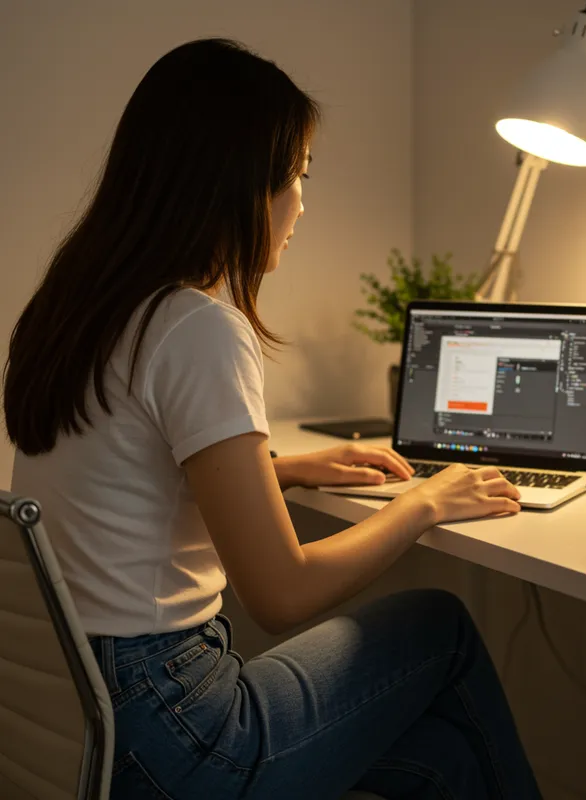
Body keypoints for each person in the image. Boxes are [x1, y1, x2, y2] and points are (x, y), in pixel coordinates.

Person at [4, 38, 542, 800]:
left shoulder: (76, 308)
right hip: (181, 733)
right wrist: (427, 502)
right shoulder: (194, 326)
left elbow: (122, 478)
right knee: (441, 626)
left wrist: (276, 471)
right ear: (236, 183)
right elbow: (281, 593)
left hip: (90, 718)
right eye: (296, 177)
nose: (301, 203)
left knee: (444, 756)